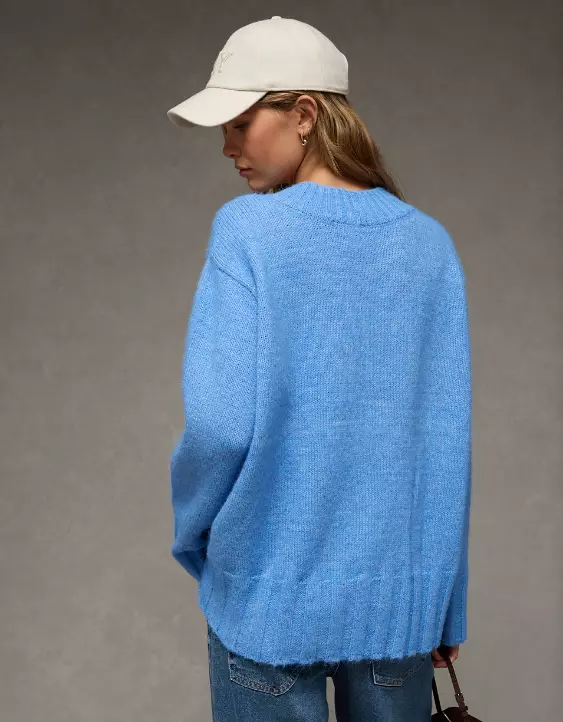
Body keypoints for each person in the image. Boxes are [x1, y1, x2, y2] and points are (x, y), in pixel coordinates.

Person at [166, 16, 471, 722]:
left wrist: (194, 535)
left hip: (265, 594)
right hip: (398, 605)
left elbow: (217, 427)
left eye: (241, 124)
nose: (228, 147)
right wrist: (445, 602)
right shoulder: (430, 245)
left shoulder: (247, 231)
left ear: (304, 114)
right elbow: (445, 443)